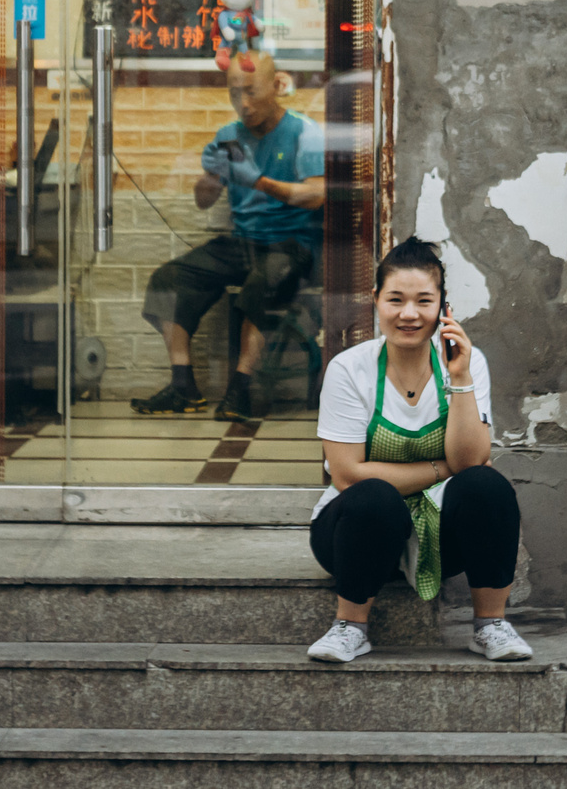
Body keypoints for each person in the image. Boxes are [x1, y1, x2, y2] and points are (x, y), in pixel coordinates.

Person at [303, 238, 533, 666]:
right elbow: (347, 474)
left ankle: (490, 627)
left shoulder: (467, 362)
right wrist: (438, 467)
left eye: (423, 301)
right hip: (354, 536)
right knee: (374, 495)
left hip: (441, 540)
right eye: (396, 300)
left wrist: (459, 375)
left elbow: (471, 464)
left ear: (443, 307)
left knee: (487, 486)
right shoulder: (349, 368)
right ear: (376, 301)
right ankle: (349, 627)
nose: (409, 314)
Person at [130, 53, 324, 420]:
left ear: (276, 87)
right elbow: (205, 202)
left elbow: (316, 195)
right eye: (235, 94)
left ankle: (241, 390)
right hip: (242, 242)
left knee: (260, 285)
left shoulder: (304, 132)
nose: (244, 104)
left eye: (251, 92)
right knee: (168, 280)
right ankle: (183, 386)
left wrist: (258, 181)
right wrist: (210, 176)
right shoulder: (228, 136)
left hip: (293, 242)